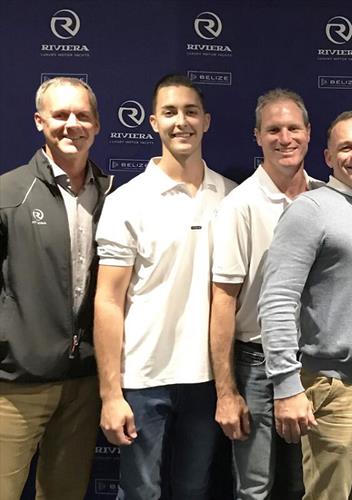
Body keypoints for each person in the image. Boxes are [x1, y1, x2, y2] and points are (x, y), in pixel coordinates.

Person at [93, 74, 236, 499]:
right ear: (153, 121)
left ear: (206, 121)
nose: (181, 122)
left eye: (191, 111)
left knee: (194, 490)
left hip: (206, 380)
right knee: (140, 492)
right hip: (141, 379)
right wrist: (110, 394)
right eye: (170, 112)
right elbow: (108, 302)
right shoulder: (126, 201)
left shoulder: (231, 198)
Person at [259, 110, 352, 500]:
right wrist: (286, 386)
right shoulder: (310, 209)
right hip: (331, 388)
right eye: (345, 147)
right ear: (328, 158)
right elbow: (276, 301)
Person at [0, 77, 112, 500]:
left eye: (82, 116)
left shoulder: (112, 196)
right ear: (39, 120)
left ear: (97, 125)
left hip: (83, 383)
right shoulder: (7, 193)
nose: (72, 125)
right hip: (16, 384)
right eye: (61, 114)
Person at [210, 89, 320, 500]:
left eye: (294, 128)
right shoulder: (239, 206)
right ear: (257, 136)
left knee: (302, 484)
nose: (285, 138)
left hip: (312, 360)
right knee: (254, 488)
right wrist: (226, 392)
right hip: (255, 362)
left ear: (309, 134)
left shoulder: (327, 196)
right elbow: (222, 300)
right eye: (273, 129)